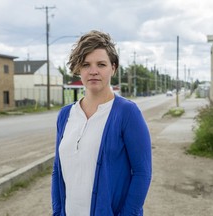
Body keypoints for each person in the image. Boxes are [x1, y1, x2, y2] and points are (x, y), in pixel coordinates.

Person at [51, 30, 152, 216]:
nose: (93, 71)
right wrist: (57, 212)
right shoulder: (65, 115)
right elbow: (58, 170)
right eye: (86, 64)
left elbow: (142, 173)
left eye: (101, 64)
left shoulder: (127, 113)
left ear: (113, 68)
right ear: (78, 69)